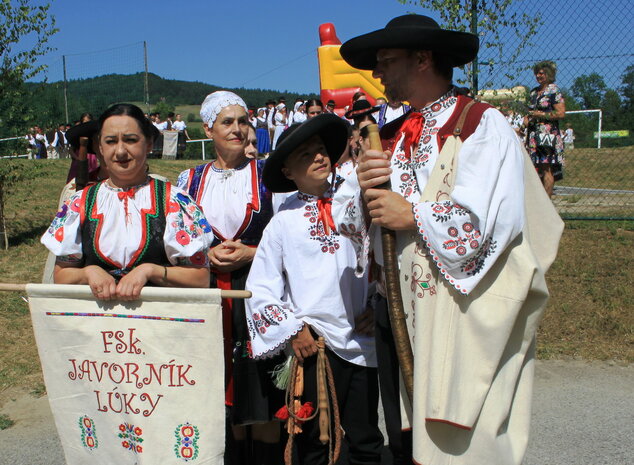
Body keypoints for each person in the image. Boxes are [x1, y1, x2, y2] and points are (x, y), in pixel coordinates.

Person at [340, 14, 563, 465]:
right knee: (404, 436)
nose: (377, 72)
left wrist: (411, 214)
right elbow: (345, 219)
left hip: (455, 312)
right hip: (396, 307)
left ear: (423, 59)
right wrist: (365, 200)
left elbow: (484, 224)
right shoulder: (387, 137)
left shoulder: (482, 125)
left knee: (462, 439)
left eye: (386, 60)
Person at [245, 114, 383, 465]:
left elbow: (380, 258)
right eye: (306, 155)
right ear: (288, 172)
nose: (319, 157)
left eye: (321, 150)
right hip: (314, 345)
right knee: (314, 440)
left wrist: (376, 305)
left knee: (366, 437)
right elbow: (261, 286)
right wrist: (293, 330)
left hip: (361, 339)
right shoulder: (283, 224)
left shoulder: (356, 203)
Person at [176, 91, 282, 465]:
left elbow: (288, 237)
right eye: (227, 122)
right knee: (226, 395)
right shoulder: (188, 180)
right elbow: (175, 242)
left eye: (243, 121)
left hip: (258, 293)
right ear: (208, 128)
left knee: (265, 395)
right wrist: (204, 256)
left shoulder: (271, 174)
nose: (238, 129)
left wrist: (253, 253)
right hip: (209, 295)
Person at [41, 103, 211, 301]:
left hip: (160, 324)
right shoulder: (80, 203)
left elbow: (200, 278)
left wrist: (150, 271)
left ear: (148, 144)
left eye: (130, 140)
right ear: (100, 148)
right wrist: (88, 272)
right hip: (96, 326)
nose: (120, 151)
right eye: (111, 141)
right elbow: (62, 276)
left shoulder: (173, 201)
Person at [525, 60, 566, 196]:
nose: (538, 75)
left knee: (546, 167)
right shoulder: (533, 93)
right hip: (533, 135)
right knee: (536, 168)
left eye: (541, 73)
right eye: (537, 73)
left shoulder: (554, 91)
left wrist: (542, 114)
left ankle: (547, 202)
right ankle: (539, 200)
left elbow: (560, 113)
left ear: (549, 74)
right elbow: (529, 112)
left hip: (547, 135)